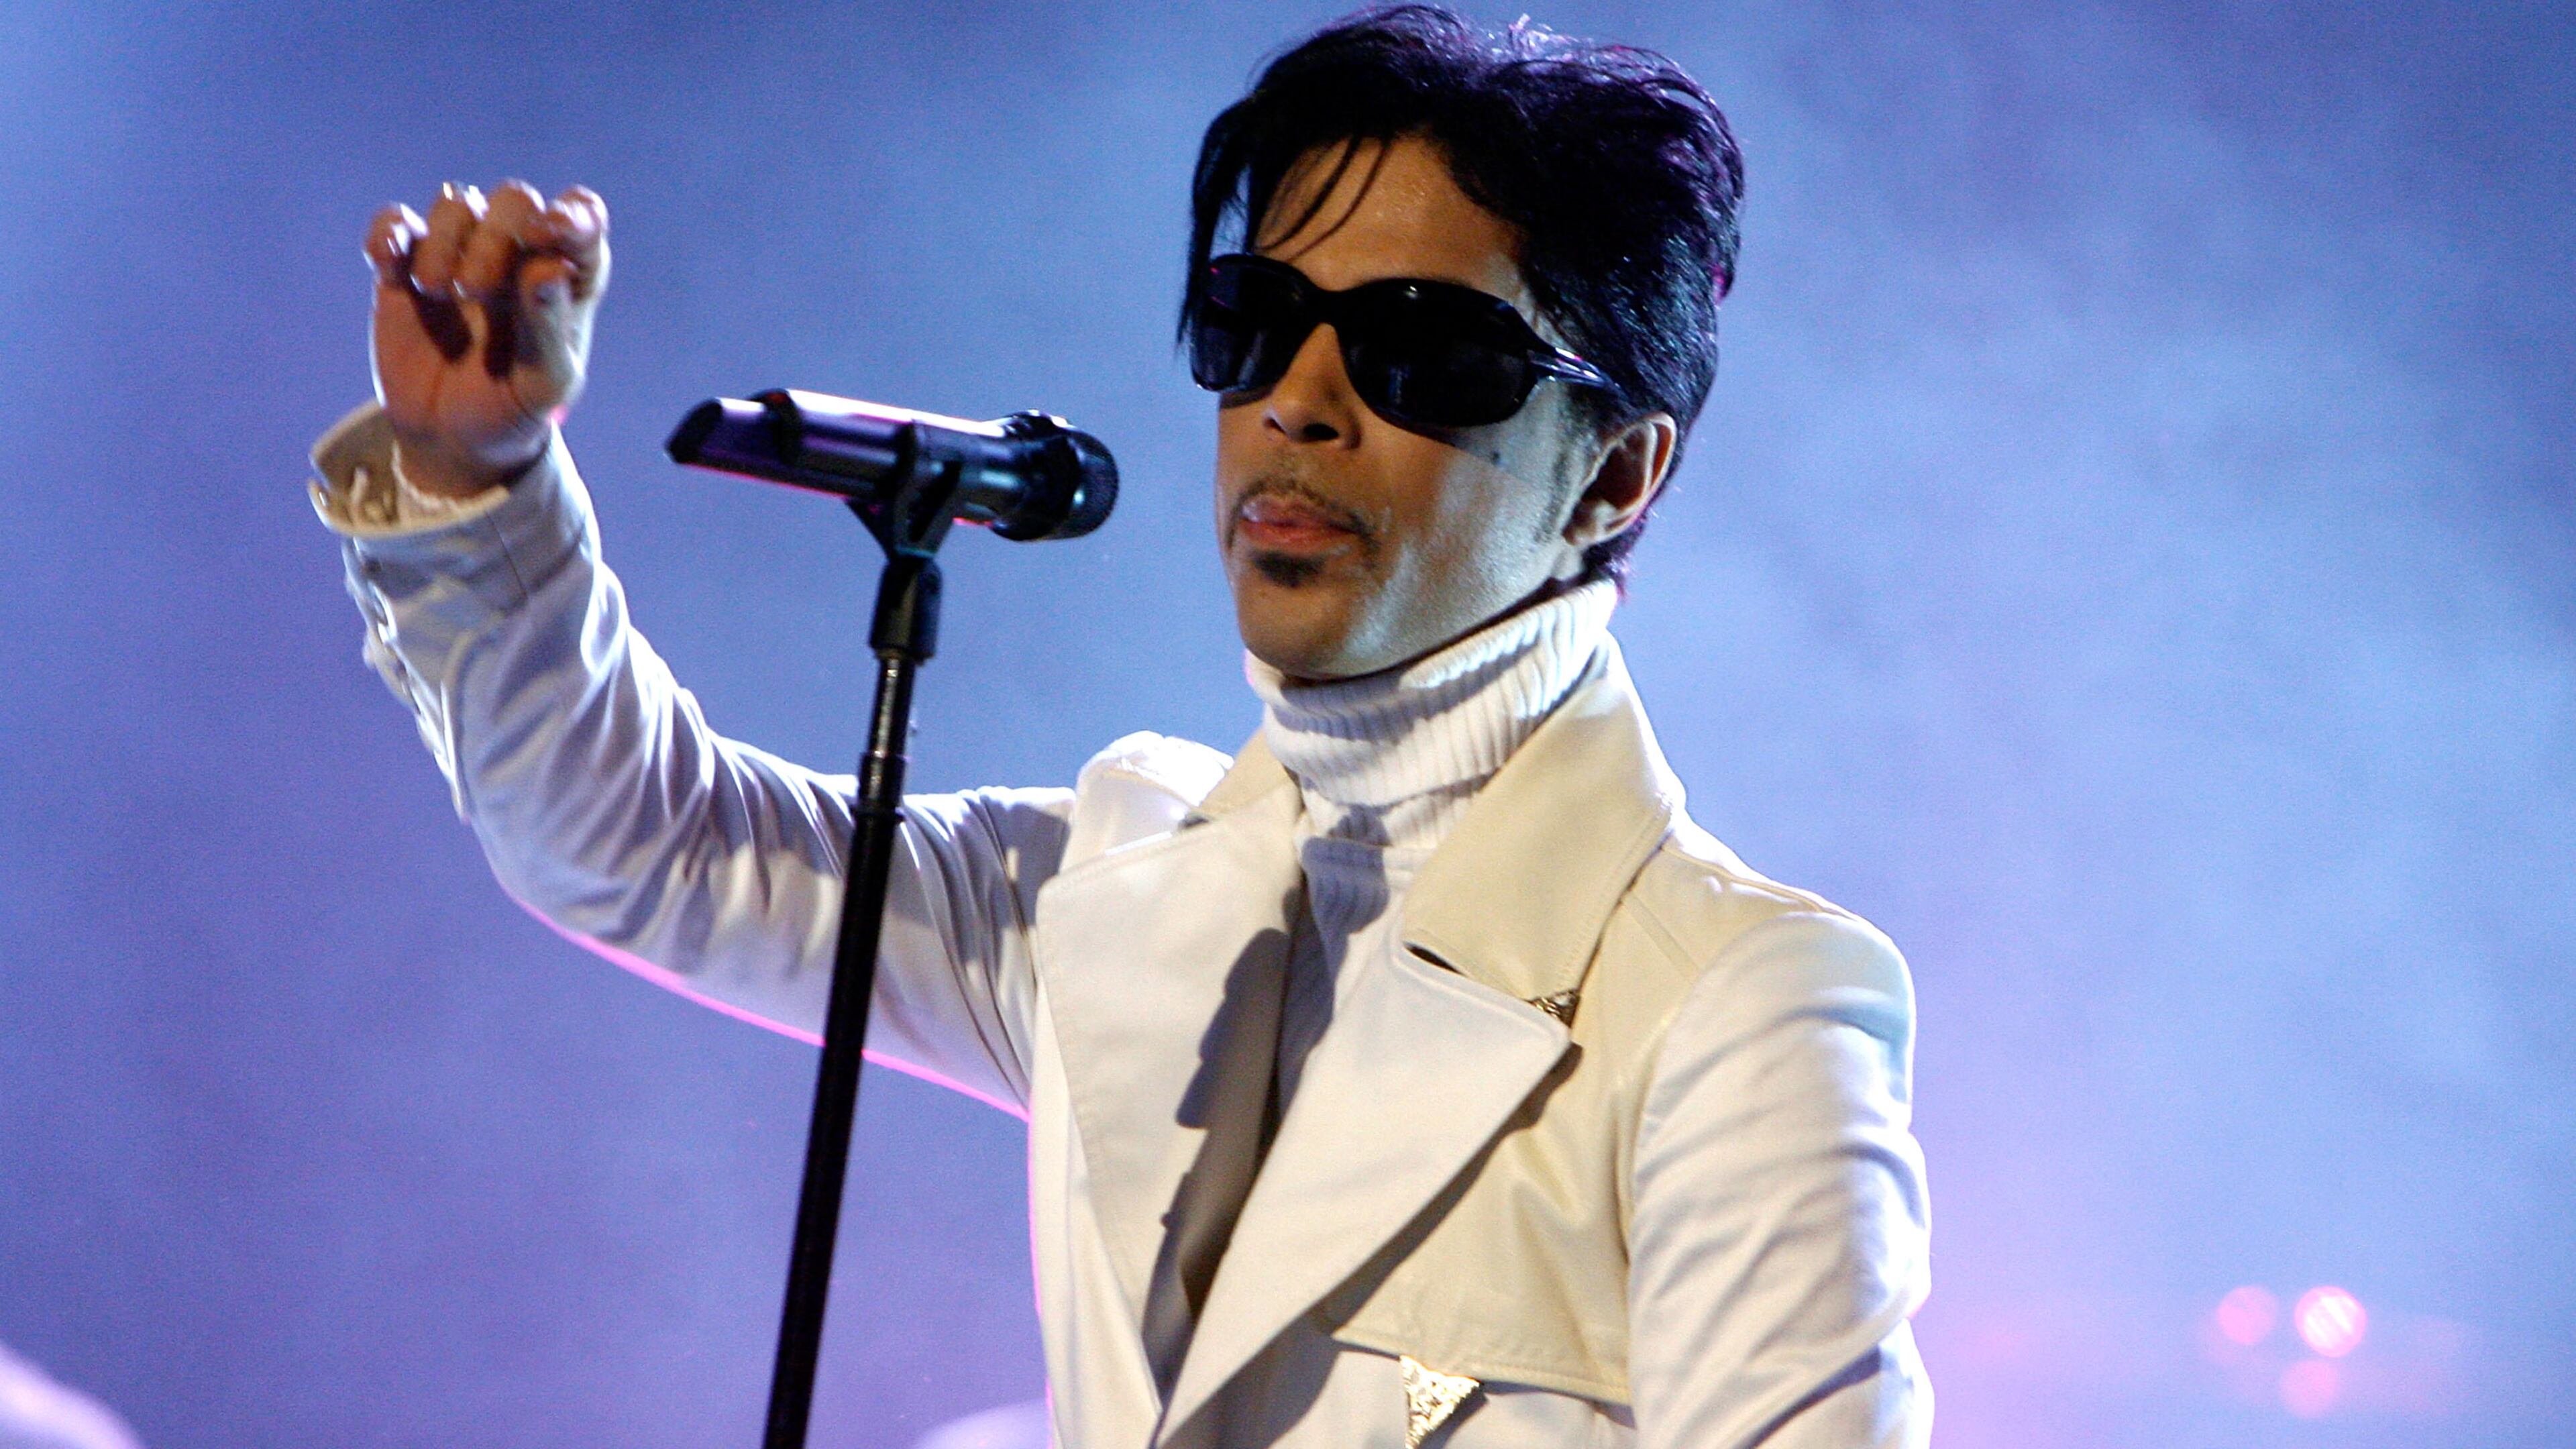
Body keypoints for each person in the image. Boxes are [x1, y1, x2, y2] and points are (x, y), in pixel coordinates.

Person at [311, 7, 1931, 1446]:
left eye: (1421, 347)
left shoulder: (1734, 1009)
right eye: (1254, 316)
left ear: (1616, 473)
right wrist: (480, 492)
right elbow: (648, 847)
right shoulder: (1115, 875)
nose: (1298, 397)